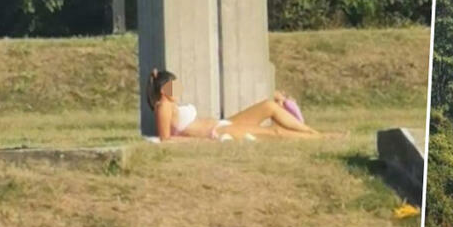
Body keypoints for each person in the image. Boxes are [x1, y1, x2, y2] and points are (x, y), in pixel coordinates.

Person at [146, 69, 343, 142]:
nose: (178, 90)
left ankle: (313, 132)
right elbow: (166, 139)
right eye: (173, 86)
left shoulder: (171, 104)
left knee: (269, 106)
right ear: (163, 90)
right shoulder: (163, 107)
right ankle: (322, 138)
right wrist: (201, 142)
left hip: (222, 123)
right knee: (274, 133)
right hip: (216, 132)